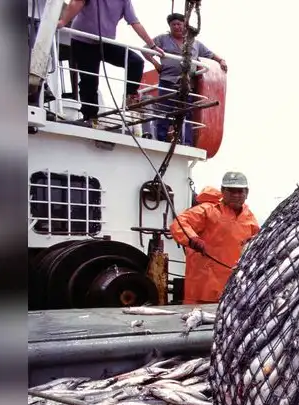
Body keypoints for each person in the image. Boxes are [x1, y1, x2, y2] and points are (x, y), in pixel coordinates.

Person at [58, 0, 164, 123]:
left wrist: (152, 46)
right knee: (89, 81)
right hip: (82, 41)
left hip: (104, 43)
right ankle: (90, 118)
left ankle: (130, 96)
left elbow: (135, 22)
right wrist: (63, 22)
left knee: (136, 62)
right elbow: (77, 2)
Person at [170, 172, 259, 305]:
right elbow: (179, 223)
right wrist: (192, 239)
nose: (236, 195)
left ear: (247, 193)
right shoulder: (206, 210)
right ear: (222, 191)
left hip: (234, 290)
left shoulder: (250, 217)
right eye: (231, 191)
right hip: (202, 289)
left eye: (240, 191)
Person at [151, 13, 227, 145]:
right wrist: (155, 63)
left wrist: (221, 60)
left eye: (179, 24)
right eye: (173, 24)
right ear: (170, 26)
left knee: (186, 113)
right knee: (164, 110)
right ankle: (161, 139)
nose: (177, 27)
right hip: (168, 81)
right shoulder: (162, 39)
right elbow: (146, 49)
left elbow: (210, 54)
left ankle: (186, 142)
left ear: (185, 26)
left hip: (187, 85)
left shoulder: (195, 44)